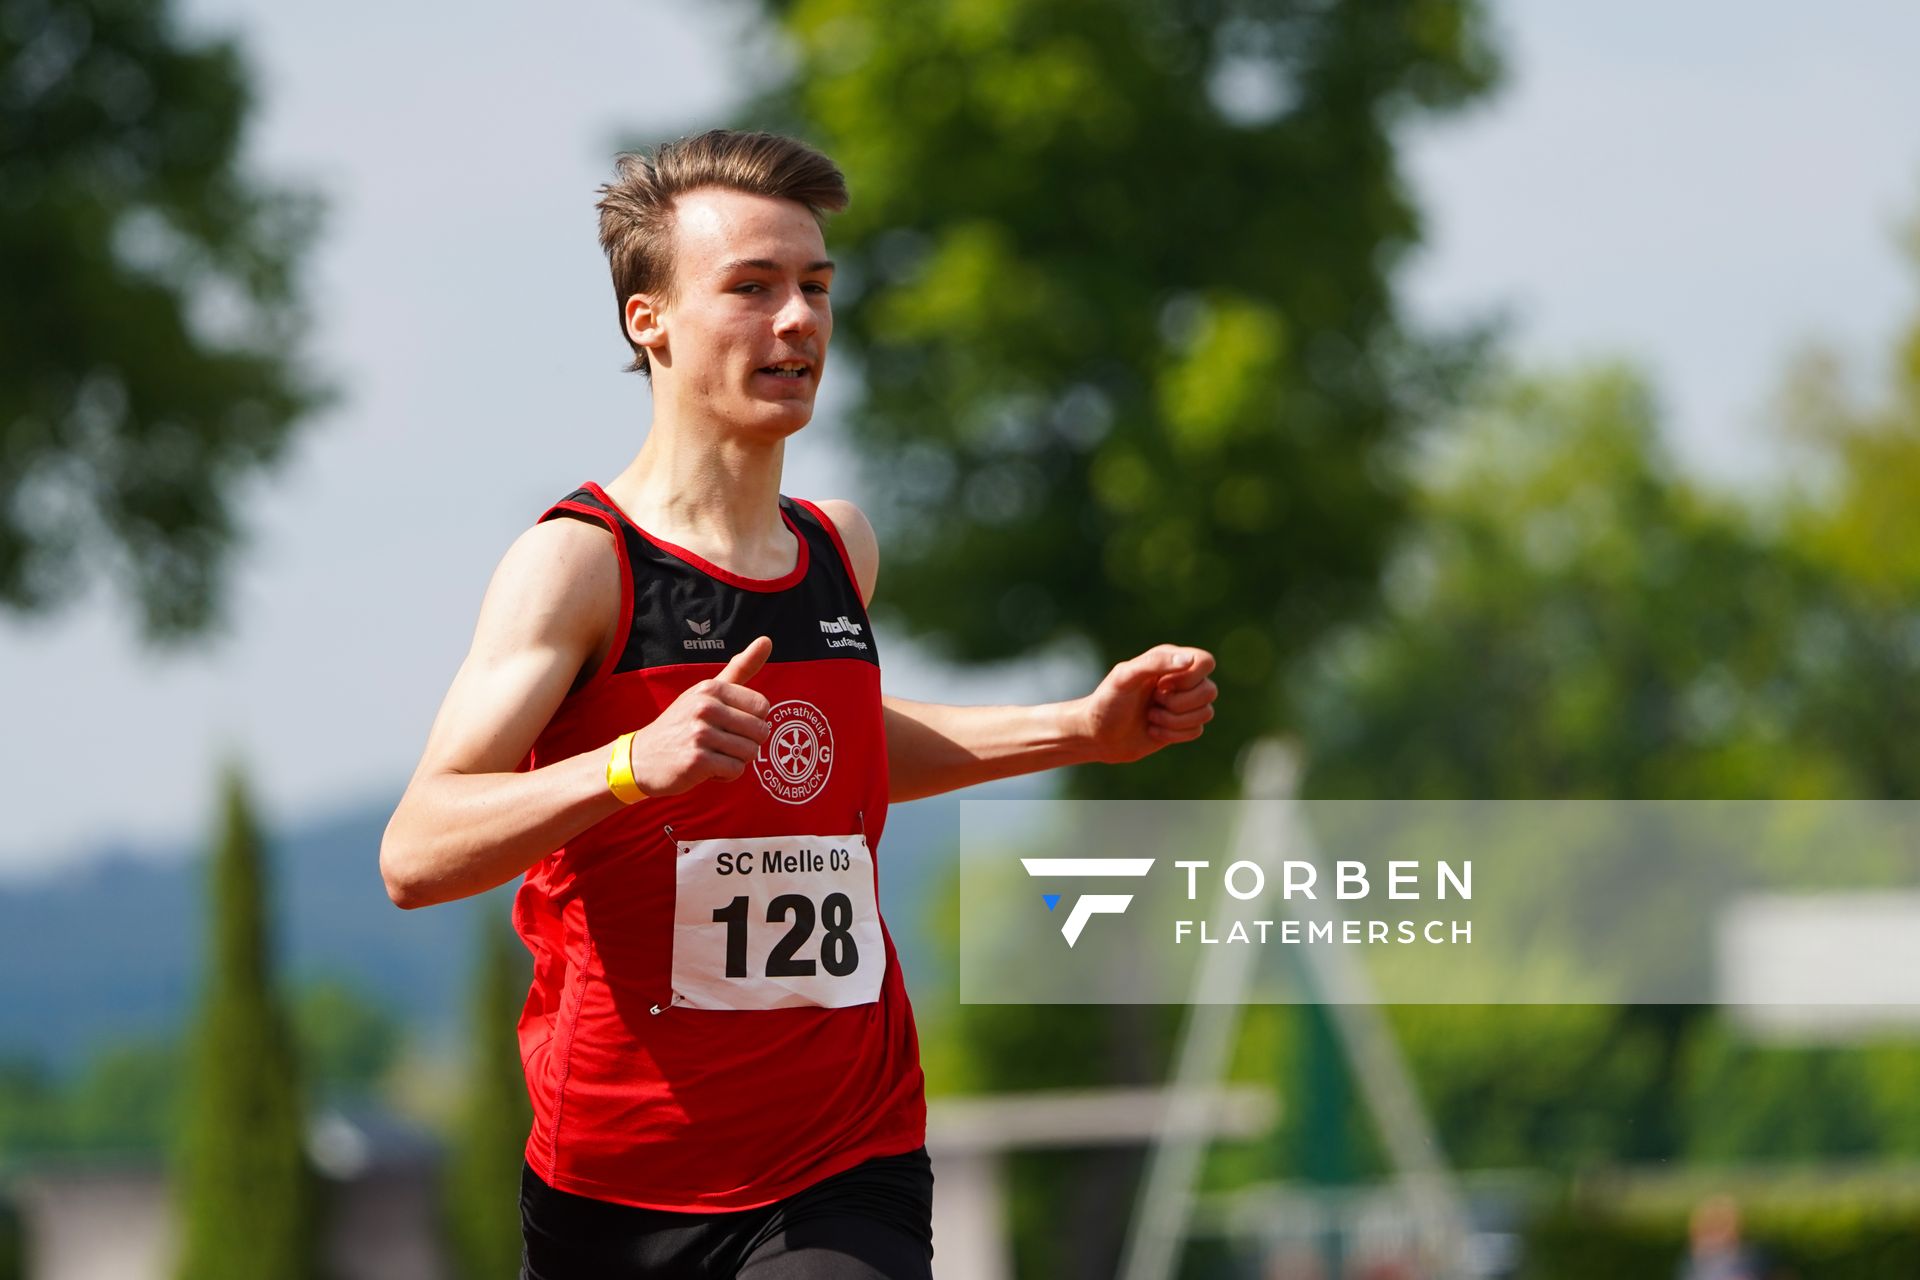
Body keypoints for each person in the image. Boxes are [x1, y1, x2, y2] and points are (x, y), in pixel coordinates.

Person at [380, 129, 1219, 1280]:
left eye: (816, 288)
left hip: (846, 1151)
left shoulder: (838, 548)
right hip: (620, 1180)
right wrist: (630, 762)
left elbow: (835, 749)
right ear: (650, 320)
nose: (798, 320)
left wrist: (1079, 727)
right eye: (753, 288)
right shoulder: (582, 566)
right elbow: (416, 850)